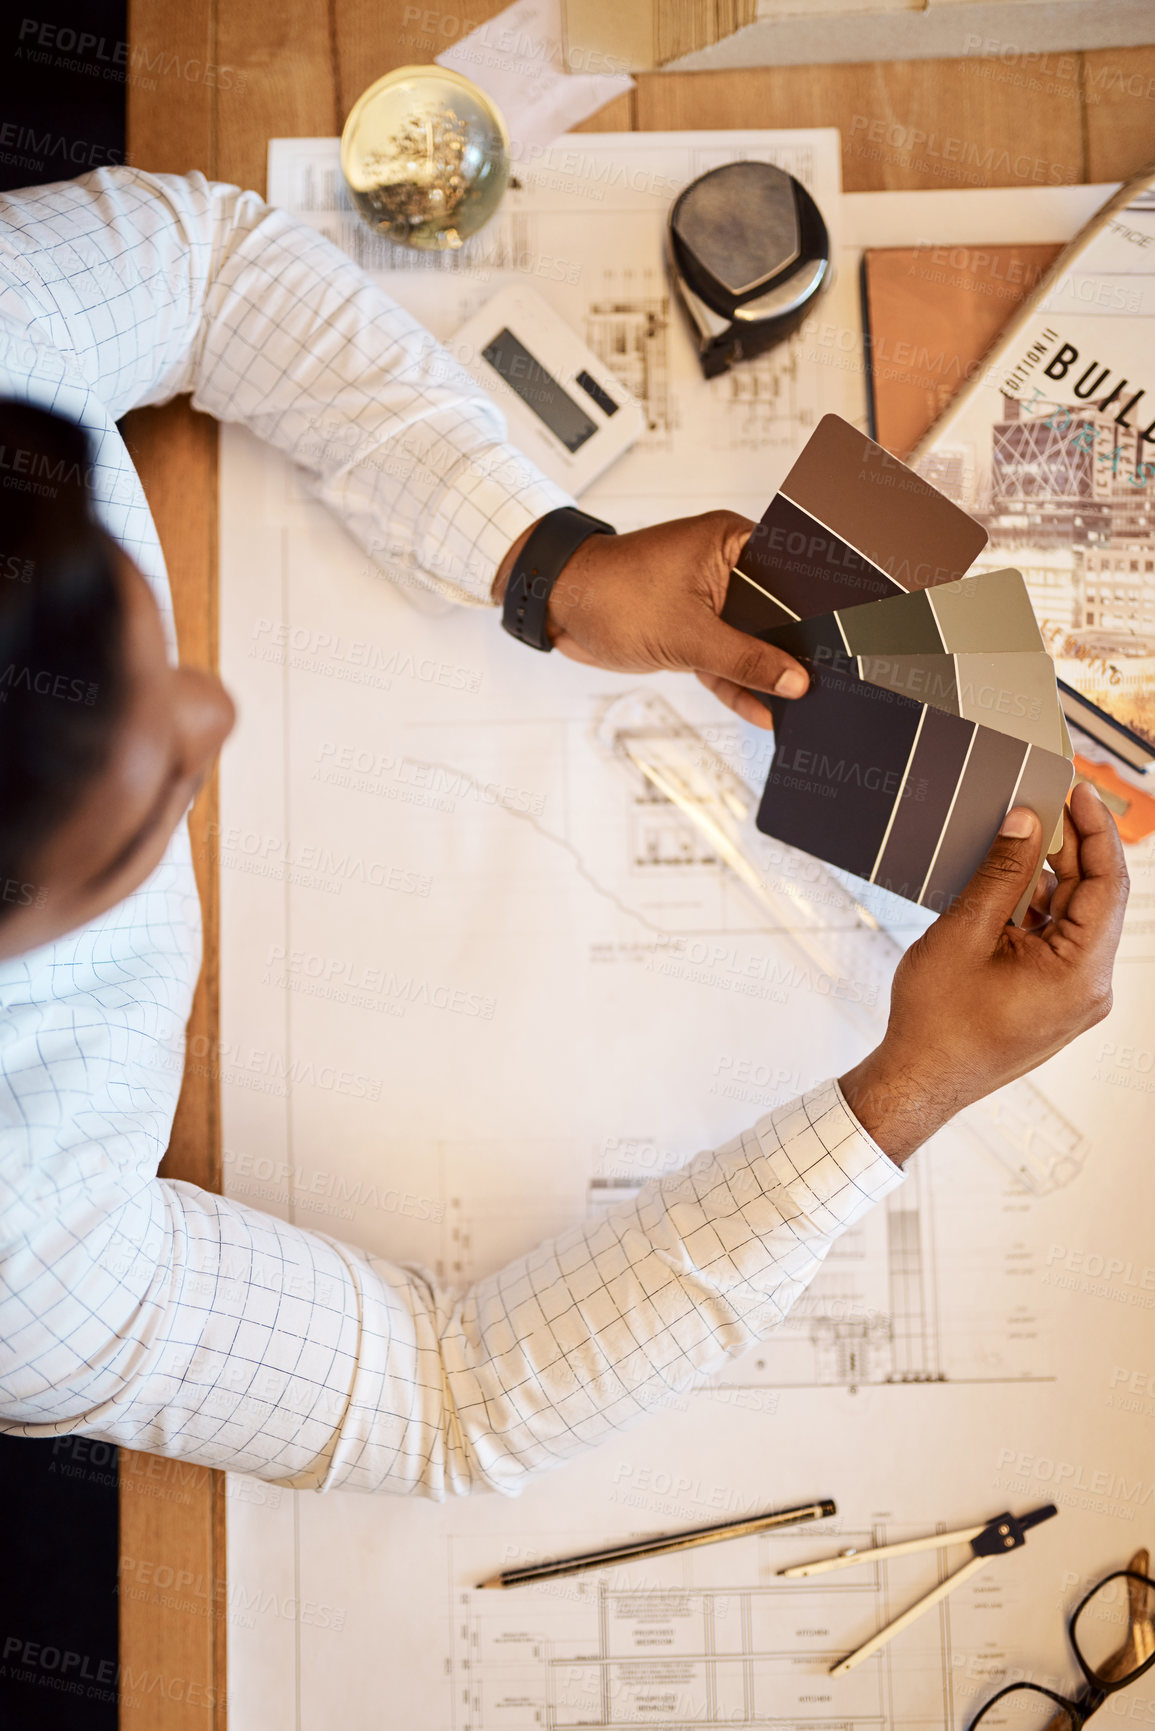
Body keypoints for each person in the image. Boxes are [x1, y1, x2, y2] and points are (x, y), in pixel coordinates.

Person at [0, 166, 1128, 1497]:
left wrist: (548, 564)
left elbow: (211, 271)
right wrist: (901, 1099)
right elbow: (443, 1398)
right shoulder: (30, 1272)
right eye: (137, 794)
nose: (206, 706)